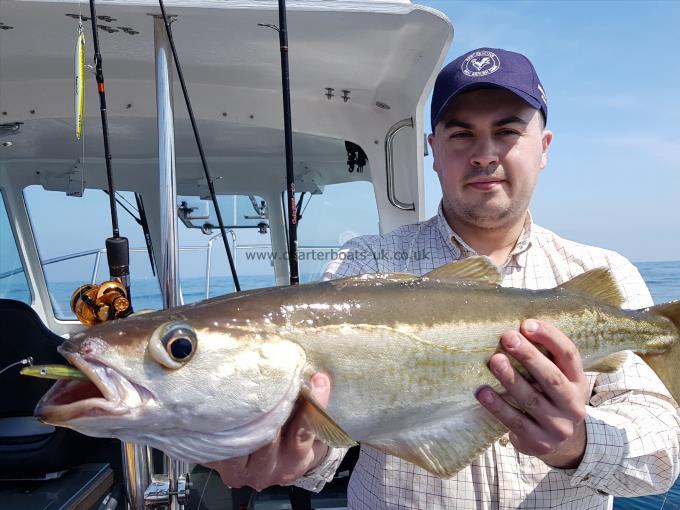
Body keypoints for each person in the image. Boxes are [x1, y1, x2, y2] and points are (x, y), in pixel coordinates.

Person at [207, 47, 680, 509]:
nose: (484, 154)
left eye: (508, 131)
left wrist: (574, 443)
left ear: (544, 149)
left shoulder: (605, 271)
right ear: (433, 150)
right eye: (461, 134)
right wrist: (299, 454)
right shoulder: (366, 264)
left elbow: (662, 454)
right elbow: (327, 438)